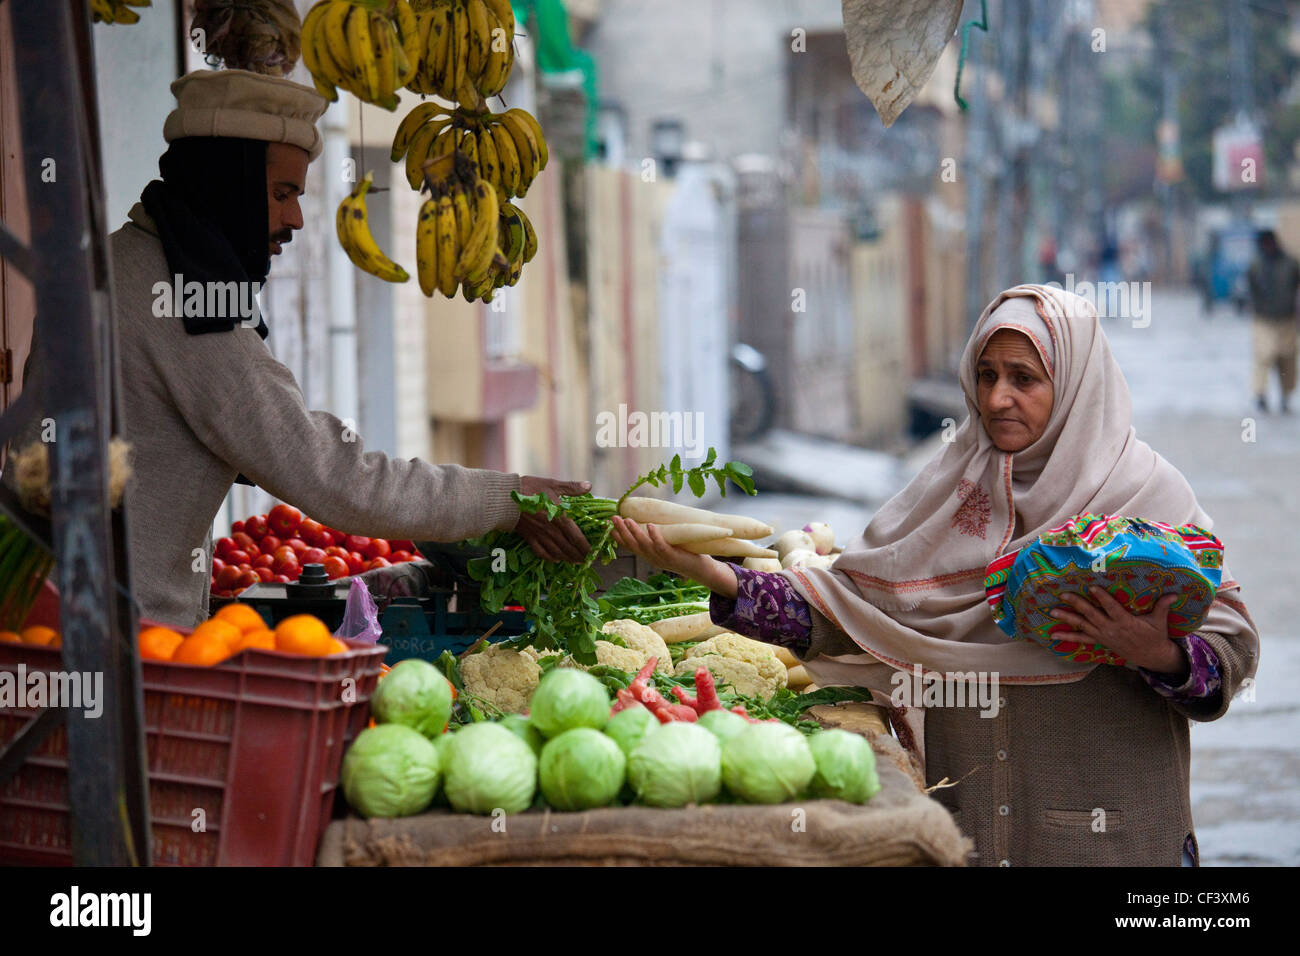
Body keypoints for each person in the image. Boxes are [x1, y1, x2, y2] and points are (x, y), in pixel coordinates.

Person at [612, 284, 1259, 867]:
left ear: (1076, 386)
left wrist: (1159, 654)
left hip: (1112, 844)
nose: (997, 397)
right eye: (985, 374)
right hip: (971, 835)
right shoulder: (951, 496)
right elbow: (848, 611)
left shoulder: (1147, 497)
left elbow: (1228, 660)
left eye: (1024, 378)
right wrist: (708, 572)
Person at [6, 70, 590, 627]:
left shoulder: (106, 266)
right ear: (224, 186)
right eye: (281, 193)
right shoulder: (187, 305)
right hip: (123, 644)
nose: (295, 219)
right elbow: (336, 479)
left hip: (54, 617)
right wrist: (509, 497)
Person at [1245, 229, 1300, 413]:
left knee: (1287, 359)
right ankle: (1260, 394)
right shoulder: (1255, 265)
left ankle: (1286, 395)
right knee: (1263, 355)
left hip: (1287, 320)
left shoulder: (1290, 264)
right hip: (1263, 320)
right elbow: (1250, 290)